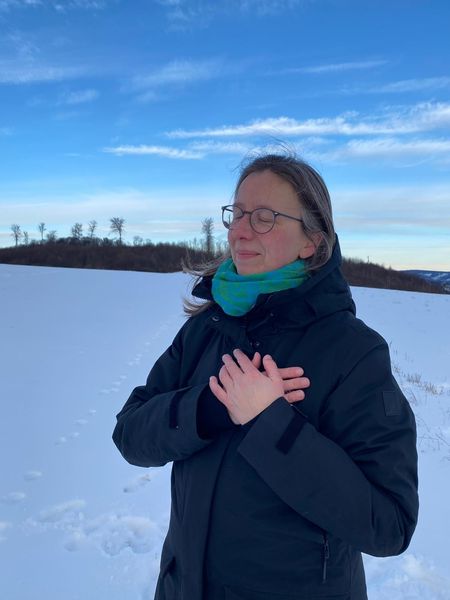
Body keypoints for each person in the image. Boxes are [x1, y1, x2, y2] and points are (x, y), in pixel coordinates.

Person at [112, 154, 418, 600]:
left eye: (263, 217)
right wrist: (209, 407)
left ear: (311, 241)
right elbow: (130, 434)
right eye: (236, 214)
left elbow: (389, 523)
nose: (239, 230)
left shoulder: (354, 352)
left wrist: (270, 425)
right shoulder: (205, 329)